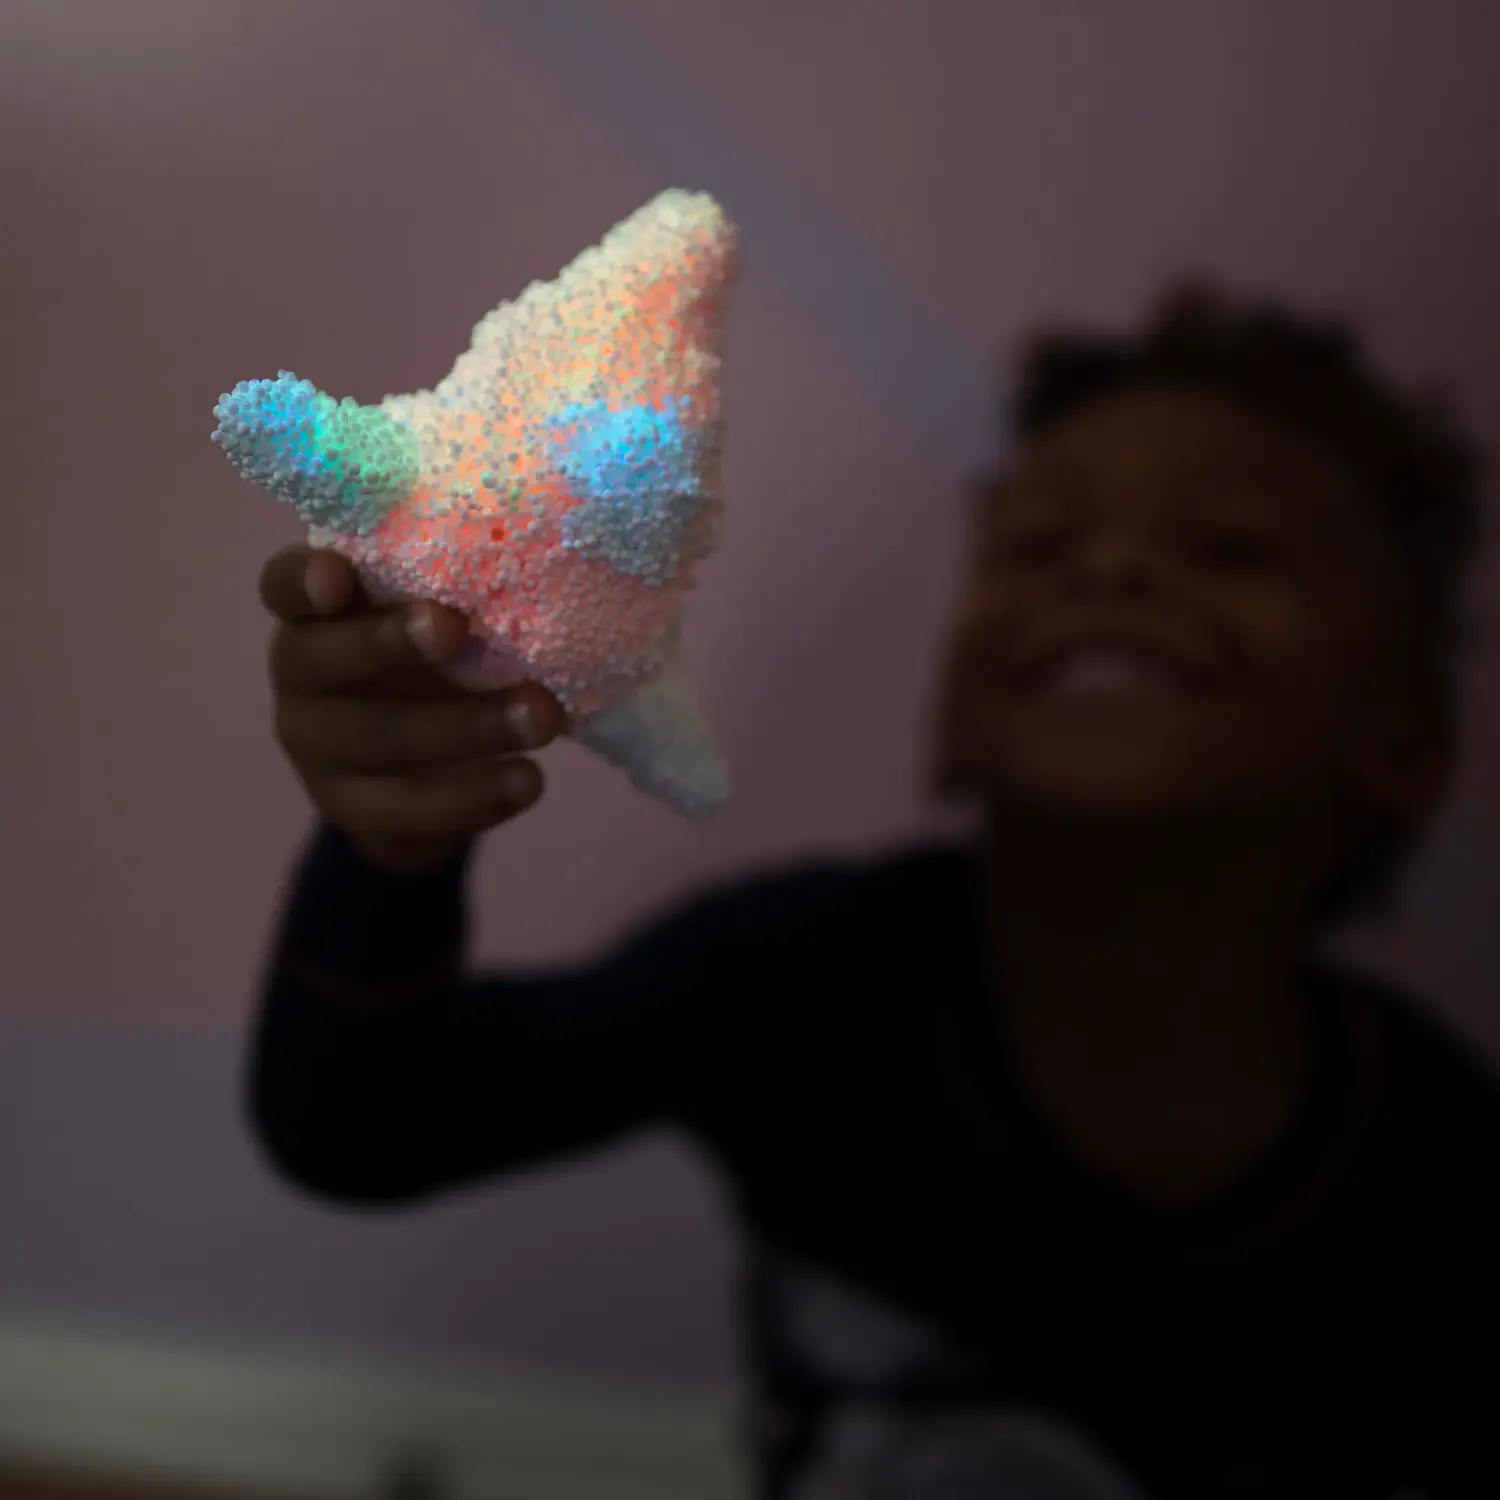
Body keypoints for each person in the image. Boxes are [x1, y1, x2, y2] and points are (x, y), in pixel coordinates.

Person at [244, 280, 1499, 1499]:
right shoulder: (800, 979)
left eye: (1232, 548)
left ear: (1405, 746)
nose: (1110, 568)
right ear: (948, 724)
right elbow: (362, 1126)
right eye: (1038, 543)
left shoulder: (1441, 1163)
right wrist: (393, 846)